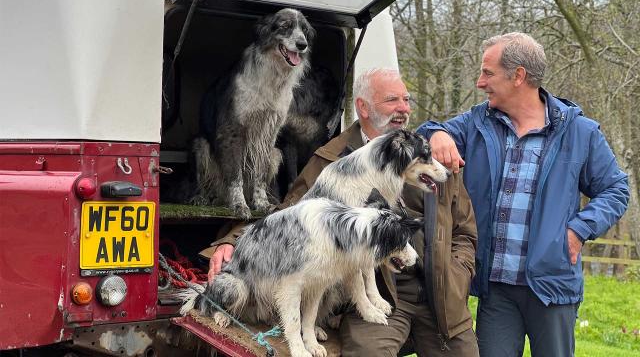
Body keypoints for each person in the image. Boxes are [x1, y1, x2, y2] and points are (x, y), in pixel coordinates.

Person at [208, 68, 479, 356]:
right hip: (381, 295)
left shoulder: (430, 151)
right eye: (392, 100)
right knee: (366, 353)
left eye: (406, 99)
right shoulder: (329, 159)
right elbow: (290, 213)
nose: (403, 108)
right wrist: (231, 240)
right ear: (363, 107)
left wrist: (455, 276)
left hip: (439, 298)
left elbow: (465, 231)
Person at [417, 32, 630, 357]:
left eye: (488, 73)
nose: (479, 82)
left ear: (518, 76)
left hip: (552, 286)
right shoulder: (478, 123)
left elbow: (616, 189)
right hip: (496, 289)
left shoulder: (579, 132)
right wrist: (437, 134)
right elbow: (425, 131)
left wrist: (579, 230)